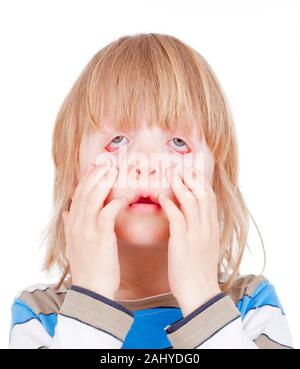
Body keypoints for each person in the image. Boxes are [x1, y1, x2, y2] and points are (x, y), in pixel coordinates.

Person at [9, 33, 293, 349]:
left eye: (178, 143)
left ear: (216, 180)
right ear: (73, 173)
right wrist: (90, 300)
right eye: (117, 141)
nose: (146, 164)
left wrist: (202, 298)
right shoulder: (41, 315)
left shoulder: (250, 305)